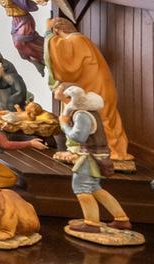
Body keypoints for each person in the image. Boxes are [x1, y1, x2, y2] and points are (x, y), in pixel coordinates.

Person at [44, 10, 135, 172]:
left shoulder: (76, 40)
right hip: (95, 84)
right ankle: (99, 150)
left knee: (103, 117)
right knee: (104, 117)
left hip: (94, 87)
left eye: (55, 32)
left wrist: (48, 35)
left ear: (58, 30)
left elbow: (66, 66)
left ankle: (114, 153)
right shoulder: (81, 40)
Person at [59, 87, 140, 244]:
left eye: (67, 99)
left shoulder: (82, 114)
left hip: (90, 157)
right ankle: (121, 218)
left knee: (81, 188)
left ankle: (91, 223)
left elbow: (78, 136)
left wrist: (64, 125)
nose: (66, 103)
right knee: (95, 188)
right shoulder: (91, 113)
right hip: (98, 156)